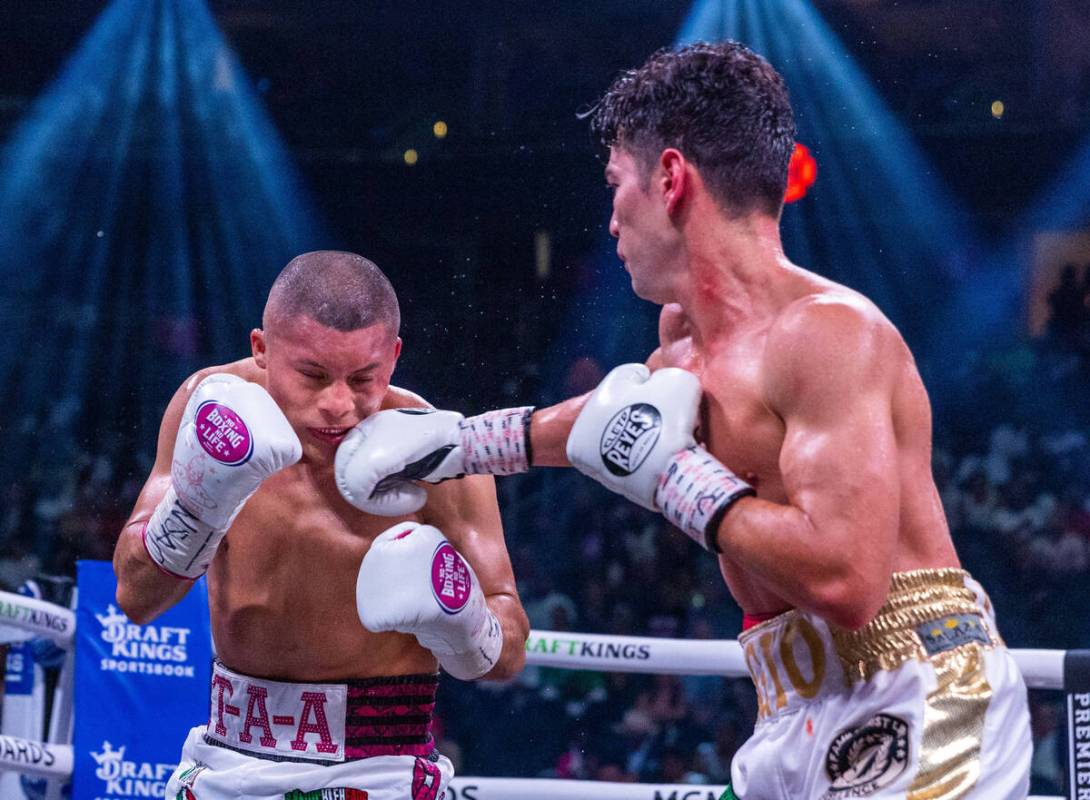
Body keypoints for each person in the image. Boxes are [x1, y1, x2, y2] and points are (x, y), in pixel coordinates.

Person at [334, 42, 1032, 798]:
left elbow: (848, 579)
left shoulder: (829, 335)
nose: (609, 222)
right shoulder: (683, 347)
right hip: (792, 709)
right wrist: (455, 444)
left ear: (669, 180)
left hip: (919, 688)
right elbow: (603, 425)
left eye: (615, 186)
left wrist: (676, 476)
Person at [112, 251, 529, 800]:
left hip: (381, 770)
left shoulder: (438, 458)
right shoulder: (211, 408)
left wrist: (463, 618)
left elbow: (511, 650)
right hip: (226, 762)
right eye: (312, 374)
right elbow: (135, 597)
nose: (338, 404)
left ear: (395, 357)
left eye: (363, 378)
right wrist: (198, 505)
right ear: (261, 349)